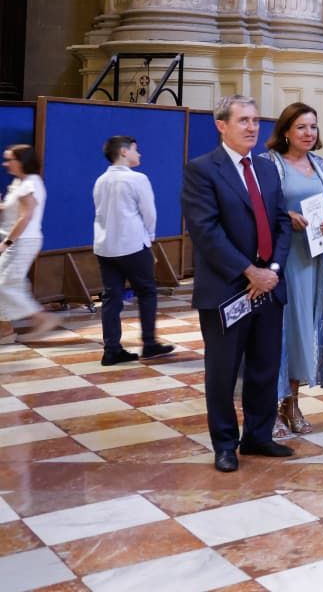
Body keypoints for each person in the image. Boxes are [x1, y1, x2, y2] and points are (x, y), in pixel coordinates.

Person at [182, 96, 294, 473]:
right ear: (221, 125)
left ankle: (258, 436)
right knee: (223, 371)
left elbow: (281, 223)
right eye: (243, 120)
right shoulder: (202, 170)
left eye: (255, 120)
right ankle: (225, 444)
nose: (252, 127)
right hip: (228, 289)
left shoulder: (266, 168)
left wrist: (273, 269)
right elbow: (206, 231)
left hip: (270, 286)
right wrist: (250, 271)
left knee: (265, 367)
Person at [260, 104, 323, 437]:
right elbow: (258, 208)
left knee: (303, 332)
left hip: (312, 261)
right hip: (281, 260)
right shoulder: (269, 164)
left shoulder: (319, 165)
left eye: (314, 127)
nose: (309, 134)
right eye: (301, 127)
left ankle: (292, 402)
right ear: (286, 131)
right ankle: (270, 408)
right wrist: (285, 217)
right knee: (279, 333)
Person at [93, 136, 173, 365]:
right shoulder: (137, 179)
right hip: (132, 245)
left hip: (105, 246)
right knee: (147, 292)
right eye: (136, 150)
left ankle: (111, 349)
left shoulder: (100, 180)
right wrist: (150, 238)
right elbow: (149, 212)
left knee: (111, 297)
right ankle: (149, 343)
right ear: (124, 152)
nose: (140, 155)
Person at [0, 145, 61, 343]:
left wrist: (7, 243)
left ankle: (43, 318)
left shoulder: (30, 184)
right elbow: (16, 211)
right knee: (8, 283)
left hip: (22, 242)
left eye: (10, 159)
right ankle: (6, 330)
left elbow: (26, 217)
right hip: (15, 240)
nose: (6, 164)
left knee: (6, 285)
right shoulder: (19, 182)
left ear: (22, 161)